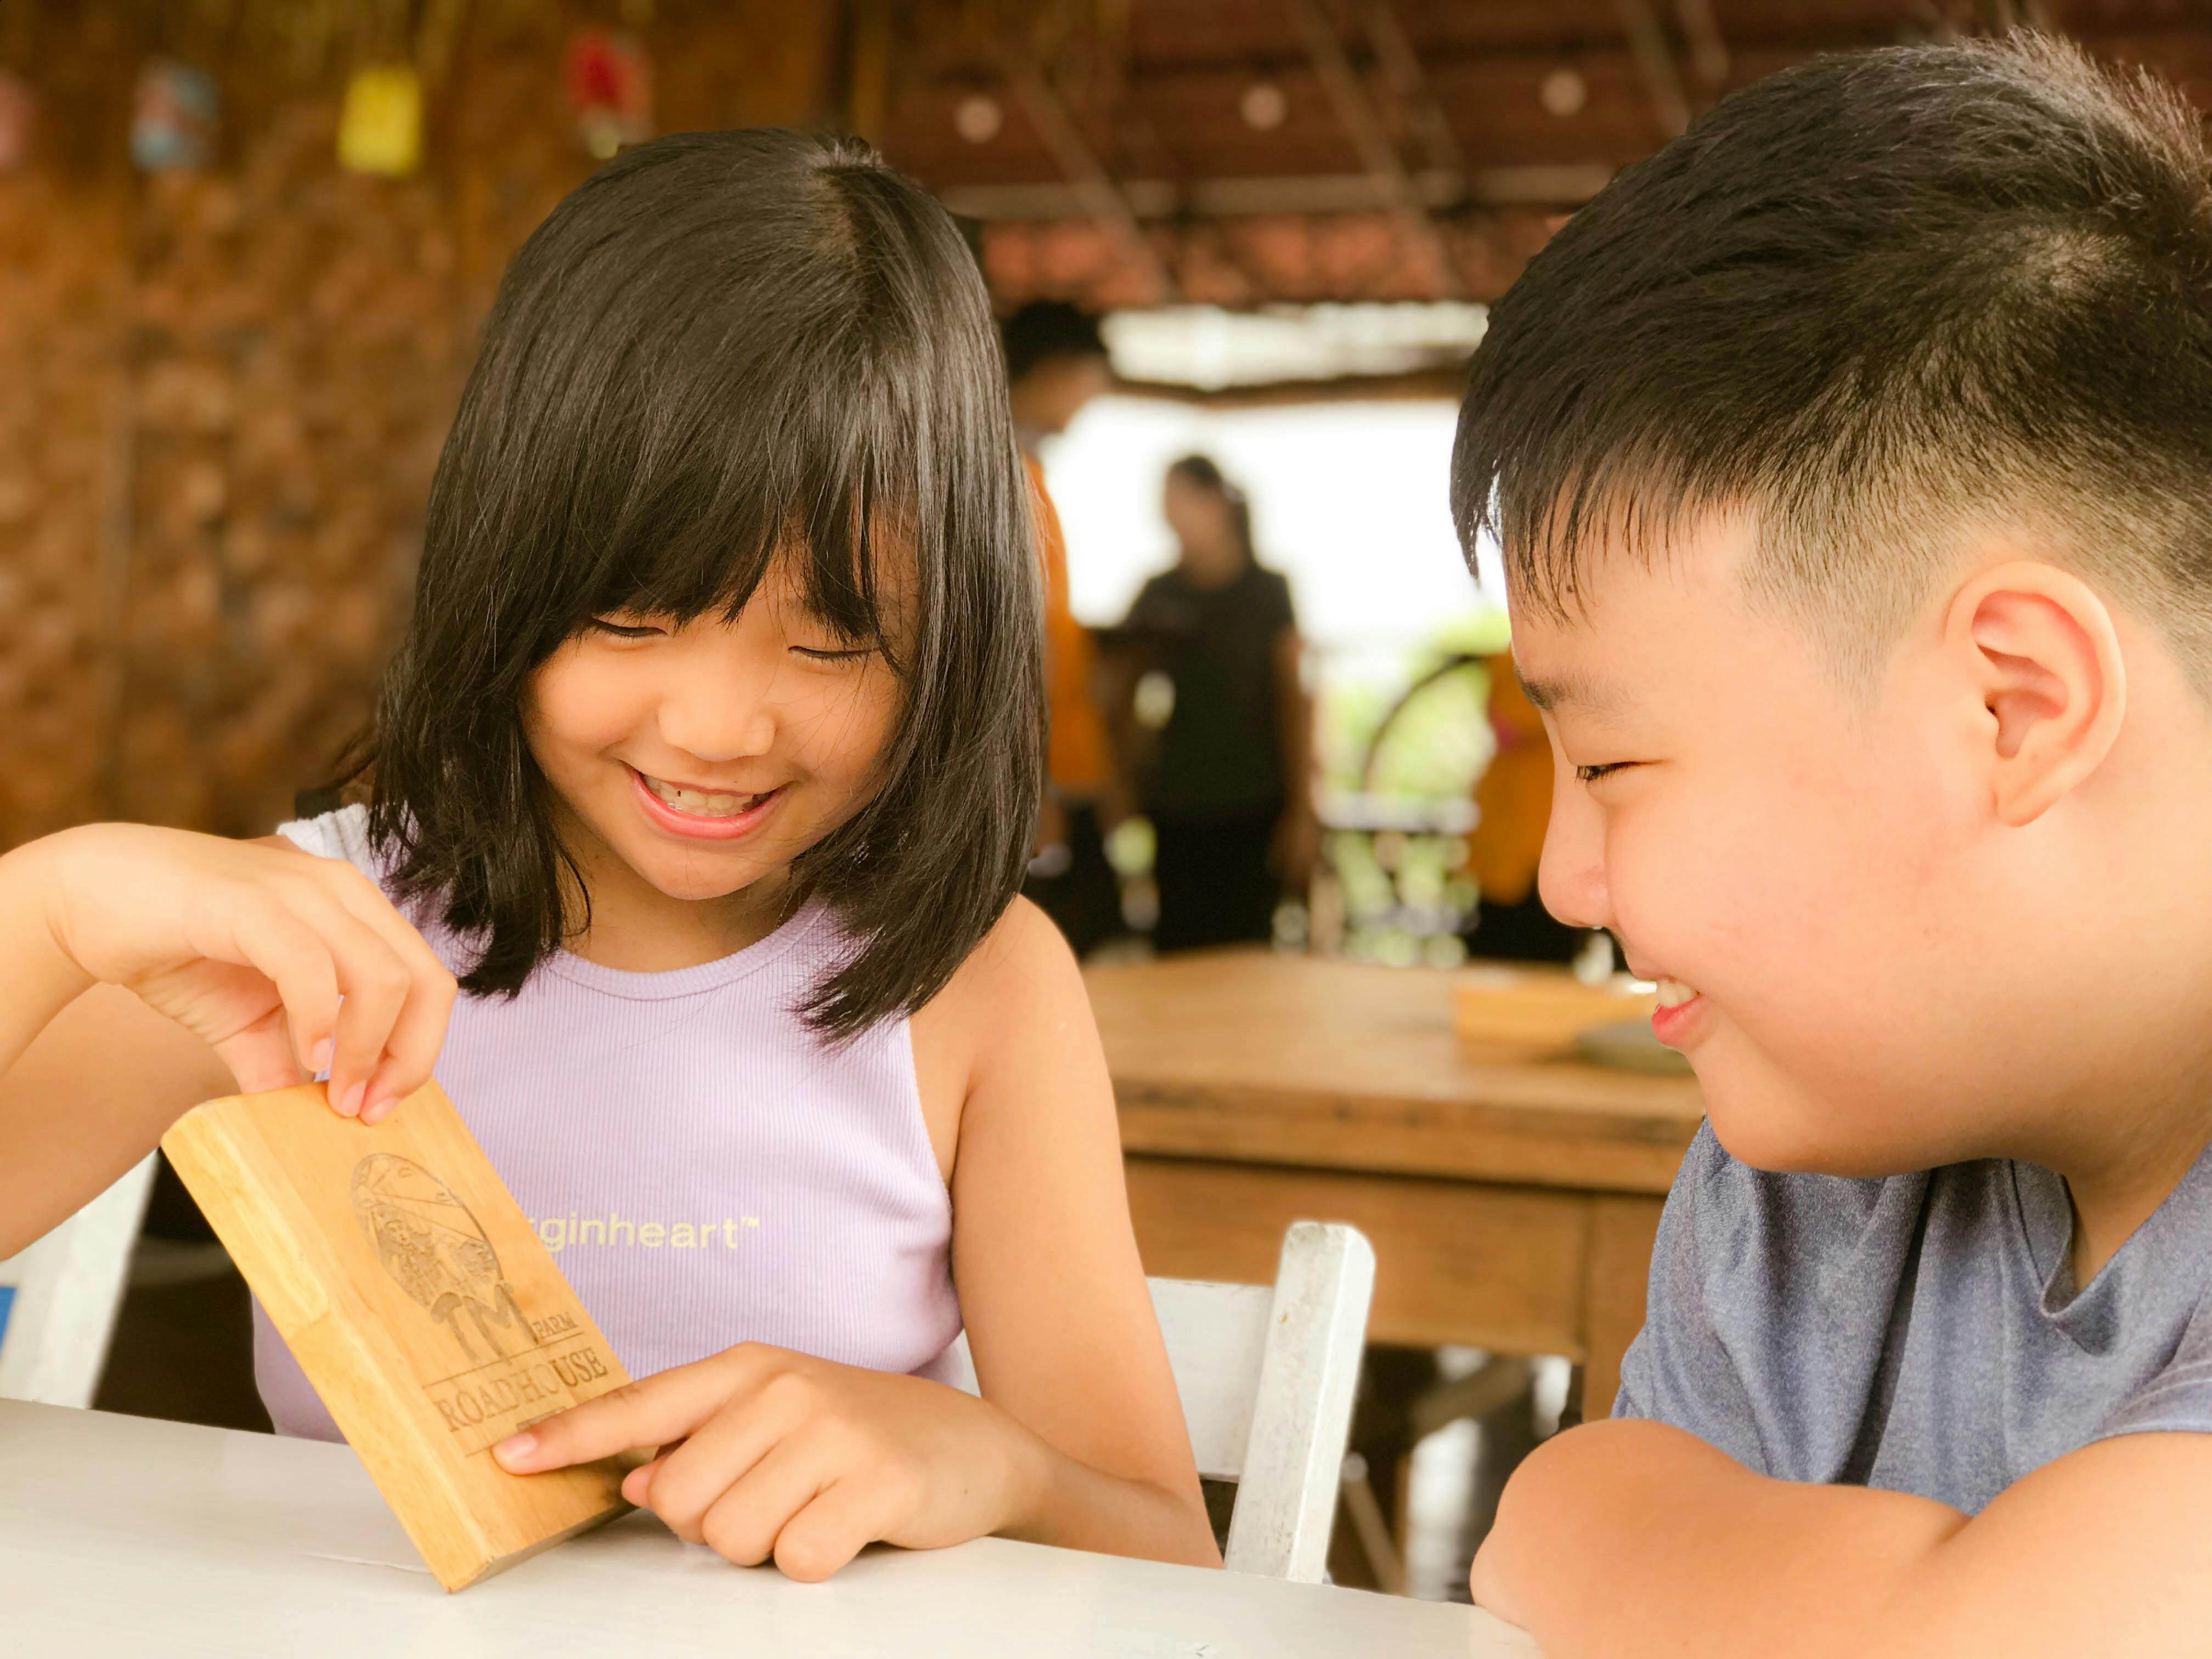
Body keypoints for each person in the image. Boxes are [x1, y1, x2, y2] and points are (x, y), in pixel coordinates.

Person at [0, 130, 1215, 1582]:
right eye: (631, 618)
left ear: (951, 628)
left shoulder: (981, 987)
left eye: (833, 637)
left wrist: (987, 1457)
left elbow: (1166, 1551)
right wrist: (52, 903)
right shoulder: (298, 950)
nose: (714, 728)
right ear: (506, 576)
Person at [1452, 36, 2212, 1656]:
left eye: (1612, 759)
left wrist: (1586, 1517)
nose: (1563, 880)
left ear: (2012, 708)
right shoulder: (1815, 1158)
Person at [1114, 455, 1316, 953]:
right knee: (1178, 951)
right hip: (1178, 804)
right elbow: (1119, 691)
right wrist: (1122, 783)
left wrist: (1303, 809)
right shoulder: (1159, 594)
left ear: (1217, 505)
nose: (1173, 517)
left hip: (1255, 801)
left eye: (1182, 502)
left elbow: (1296, 699)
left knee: (1250, 952)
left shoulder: (1268, 592)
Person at [1002, 301, 1123, 957]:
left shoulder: (1025, 470)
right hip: (1038, 776)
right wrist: (1034, 784)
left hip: (1059, 767)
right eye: (1088, 385)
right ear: (1055, 370)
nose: (1088, 404)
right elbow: (1020, 648)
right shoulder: (1004, 478)